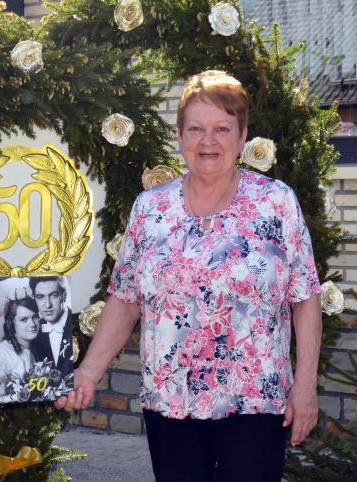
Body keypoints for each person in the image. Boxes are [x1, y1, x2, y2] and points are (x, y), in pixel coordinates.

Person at [57, 70, 323, 482]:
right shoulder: (150, 209)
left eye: (221, 129)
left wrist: (305, 386)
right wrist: (89, 372)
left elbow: (305, 297)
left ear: (242, 135)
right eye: (195, 129)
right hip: (170, 402)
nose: (208, 141)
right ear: (180, 136)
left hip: (253, 402)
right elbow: (125, 300)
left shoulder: (276, 202)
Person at [0, 296, 40, 402]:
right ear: (11, 323)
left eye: (35, 317)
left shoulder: (34, 350)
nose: (32, 324)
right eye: (24, 319)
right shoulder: (1, 353)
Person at [29, 276, 74, 374]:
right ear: (34, 299)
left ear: (64, 295)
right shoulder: (33, 331)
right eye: (40, 297)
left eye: (54, 295)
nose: (48, 305)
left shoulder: (78, 324)